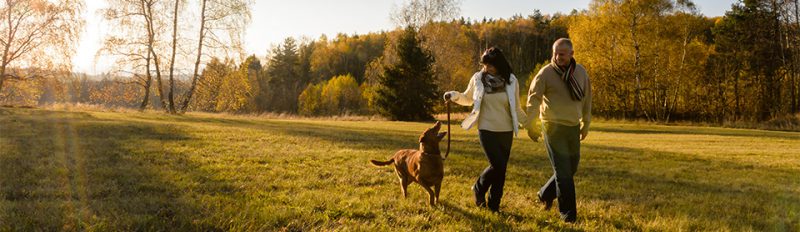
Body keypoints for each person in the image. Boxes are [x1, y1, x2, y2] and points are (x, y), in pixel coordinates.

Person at [443, 47, 527, 212]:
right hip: (486, 128)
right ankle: (479, 188)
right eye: (484, 65)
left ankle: (494, 206)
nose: (486, 68)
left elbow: (516, 108)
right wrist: (453, 95)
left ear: (499, 64)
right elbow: (467, 98)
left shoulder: (511, 80)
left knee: (501, 170)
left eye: (490, 65)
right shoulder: (478, 78)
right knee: (497, 165)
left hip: (506, 130)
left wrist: (530, 124)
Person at [525, 38, 592, 223]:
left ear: (571, 54)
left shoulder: (580, 72)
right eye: (555, 53)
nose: (557, 57)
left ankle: (544, 194)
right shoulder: (545, 73)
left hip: (572, 126)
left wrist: (586, 123)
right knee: (563, 172)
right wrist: (530, 124)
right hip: (552, 126)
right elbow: (533, 98)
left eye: (561, 54)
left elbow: (587, 99)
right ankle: (568, 215)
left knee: (571, 168)